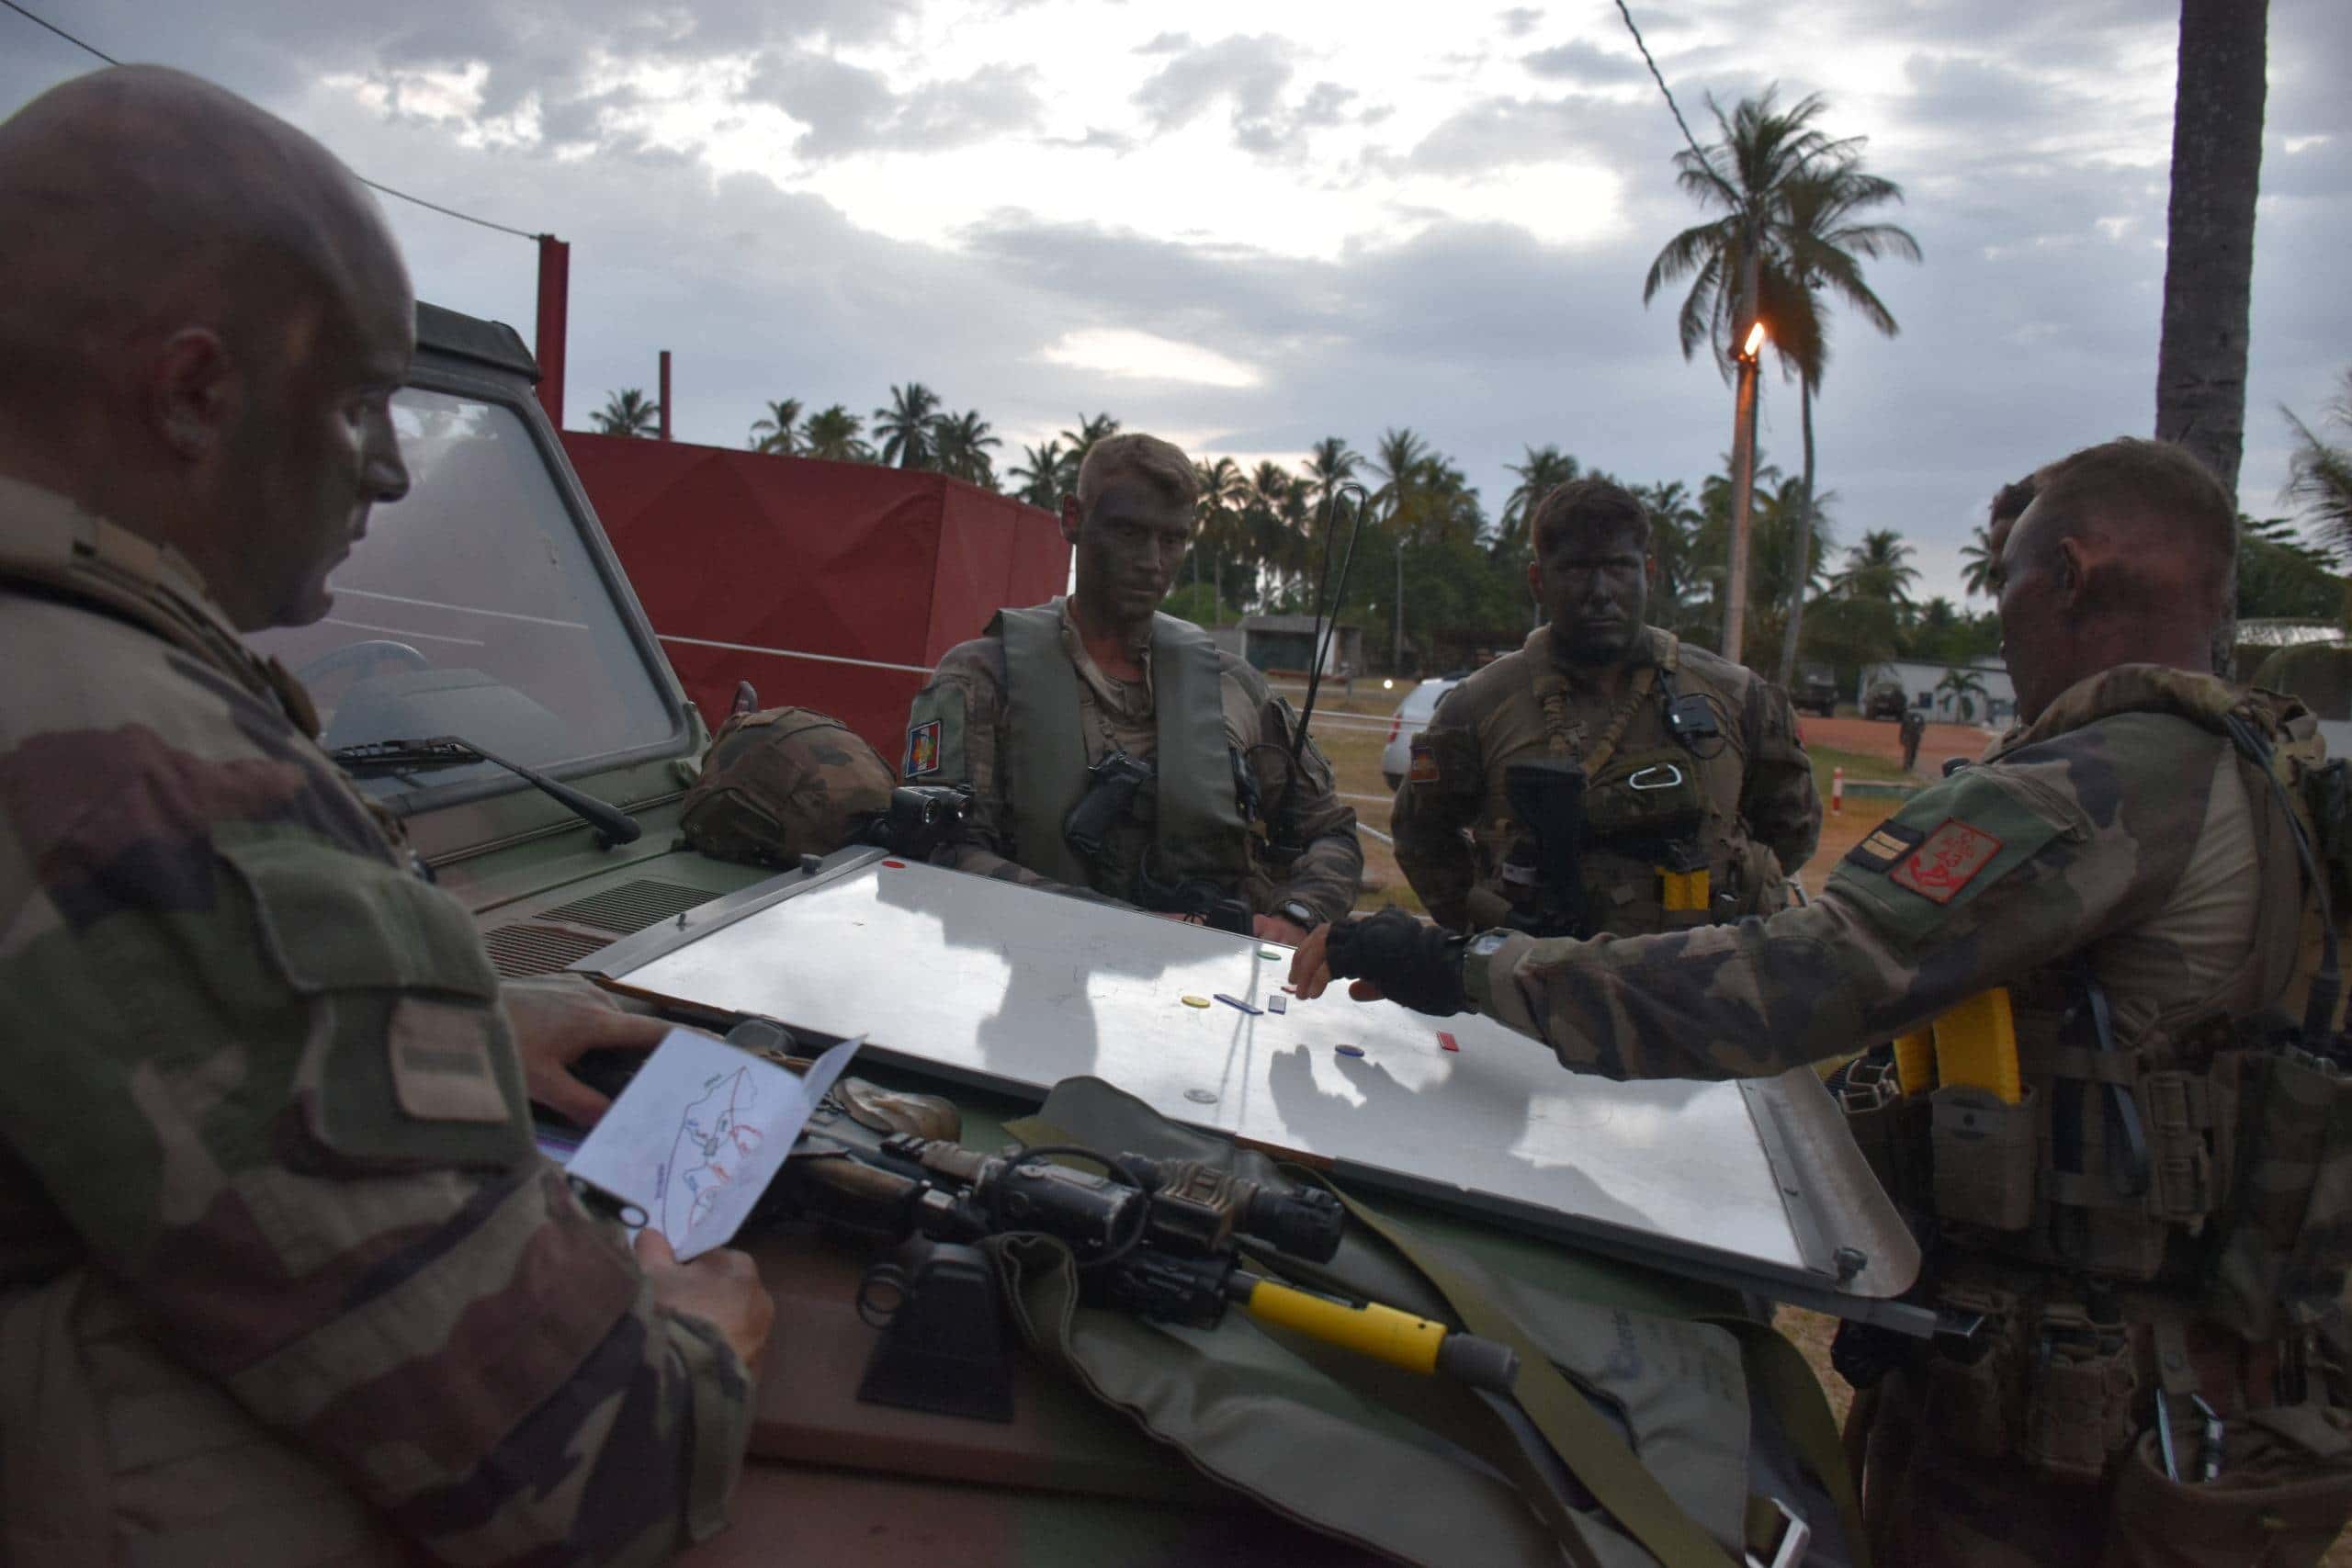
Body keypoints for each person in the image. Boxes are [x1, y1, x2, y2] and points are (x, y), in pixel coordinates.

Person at [1294, 438, 2352, 1566]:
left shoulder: (2094, 788)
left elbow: (1794, 977)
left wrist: (1462, 965)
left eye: (2003, 585)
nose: (1999, 621)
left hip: (2062, 1427)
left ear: (2070, 576)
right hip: (2202, 1390)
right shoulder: (2267, 774)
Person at [0, 68, 771, 1562]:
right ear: (195, 394)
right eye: (357, 400)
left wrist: (464, 1018)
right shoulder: (133, 756)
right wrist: (703, 1339)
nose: (394, 465)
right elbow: (592, 1469)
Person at [904, 433, 1361, 942]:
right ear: (1073, 517)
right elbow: (939, 849)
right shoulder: (981, 678)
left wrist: (1294, 917)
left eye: (1172, 539)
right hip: (1035, 963)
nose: (1152, 561)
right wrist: (1125, 928)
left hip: (1210, 986)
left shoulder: (1234, 688)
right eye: (1128, 532)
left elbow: (1331, 832)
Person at [1390, 476, 1818, 939]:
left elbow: (1792, 829)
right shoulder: (1477, 707)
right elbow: (1421, 837)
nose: (1599, 591)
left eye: (1618, 567)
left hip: (1703, 991)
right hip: (1539, 994)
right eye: (1575, 569)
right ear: (1538, 580)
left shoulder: (1736, 696)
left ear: (1649, 572)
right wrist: (1494, 927)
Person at [1897, 704, 1926, 773]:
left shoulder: (1919, 716)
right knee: (1908, 751)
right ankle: (1906, 766)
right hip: (1908, 736)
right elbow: (1903, 728)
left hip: (1916, 736)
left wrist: (1920, 729)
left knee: (1914, 751)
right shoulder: (1907, 716)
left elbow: (1923, 726)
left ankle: (1911, 765)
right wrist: (1901, 737)